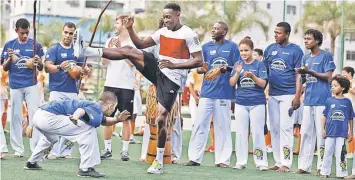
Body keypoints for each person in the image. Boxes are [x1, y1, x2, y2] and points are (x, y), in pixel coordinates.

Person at [72, 3, 203, 174]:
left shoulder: (189, 34)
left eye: (169, 17)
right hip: (157, 70)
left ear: (178, 14)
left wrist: (175, 65)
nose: (166, 20)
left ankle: (158, 161)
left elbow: (199, 61)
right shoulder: (162, 31)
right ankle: (86, 51)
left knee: (161, 119)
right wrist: (131, 28)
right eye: (164, 17)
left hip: (172, 80)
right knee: (129, 50)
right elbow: (140, 44)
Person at [24, 92, 131, 178]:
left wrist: (117, 119)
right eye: (114, 107)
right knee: (88, 128)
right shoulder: (96, 108)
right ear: (110, 105)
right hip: (49, 118)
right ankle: (86, 168)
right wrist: (75, 116)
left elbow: (104, 121)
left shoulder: (94, 107)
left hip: (40, 115)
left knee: (51, 138)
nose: (114, 110)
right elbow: (81, 111)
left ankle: (32, 162)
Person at [185, 21, 238, 168]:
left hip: (224, 94)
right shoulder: (206, 47)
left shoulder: (232, 47)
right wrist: (203, 69)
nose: (213, 30)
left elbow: (238, 66)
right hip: (207, 93)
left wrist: (226, 69)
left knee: (223, 127)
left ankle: (222, 160)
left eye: (217, 29)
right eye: (213, 28)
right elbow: (200, 69)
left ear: (224, 31)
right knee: (200, 124)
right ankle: (194, 158)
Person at [263, 22, 304, 172]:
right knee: (274, 128)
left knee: (286, 128)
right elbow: (264, 72)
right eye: (274, 32)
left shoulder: (296, 50)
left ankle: (286, 163)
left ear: (287, 34)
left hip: (288, 94)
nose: (275, 35)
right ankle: (278, 161)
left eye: (278, 33)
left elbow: (299, 74)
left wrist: (297, 96)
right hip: (272, 94)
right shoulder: (270, 49)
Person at [1, 18, 45, 156]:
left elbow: (42, 67)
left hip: (31, 85)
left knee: (34, 116)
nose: (25, 35)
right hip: (15, 86)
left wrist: (38, 62)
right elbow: (4, 67)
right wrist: (9, 58)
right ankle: (18, 149)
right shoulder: (9, 45)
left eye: (27, 32)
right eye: (22, 33)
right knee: (15, 117)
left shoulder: (35, 45)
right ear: (16, 31)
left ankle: (34, 148)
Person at [296, 29, 335, 175]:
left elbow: (329, 76)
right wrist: (303, 75)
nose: (306, 41)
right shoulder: (306, 58)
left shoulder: (326, 55)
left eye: (309, 39)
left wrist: (310, 72)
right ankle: (304, 165)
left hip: (322, 101)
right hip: (308, 101)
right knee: (306, 133)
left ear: (317, 41)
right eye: (305, 38)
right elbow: (304, 79)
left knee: (320, 134)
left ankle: (321, 167)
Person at [44, 22, 86, 159]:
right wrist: (60, 67)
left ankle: (66, 150)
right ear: (62, 32)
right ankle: (53, 151)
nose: (68, 35)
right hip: (56, 90)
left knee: (72, 121)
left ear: (74, 35)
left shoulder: (77, 51)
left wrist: (83, 71)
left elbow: (81, 71)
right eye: (66, 32)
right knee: (54, 120)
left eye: (71, 33)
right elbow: (47, 67)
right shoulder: (54, 49)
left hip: (72, 90)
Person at [100, 15, 136, 161]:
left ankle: (125, 151)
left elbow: (132, 64)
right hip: (110, 84)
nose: (115, 25)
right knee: (107, 118)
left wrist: (120, 48)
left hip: (126, 86)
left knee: (126, 118)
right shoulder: (109, 40)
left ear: (124, 24)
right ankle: (107, 149)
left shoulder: (133, 43)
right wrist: (110, 48)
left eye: (117, 23)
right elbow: (103, 62)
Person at [229, 37, 268, 170]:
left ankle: (261, 162)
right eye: (241, 51)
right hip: (241, 103)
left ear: (252, 50)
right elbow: (232, 83)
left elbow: (263, 84)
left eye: (246, 50)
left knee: (257, 133)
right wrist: (238, 72)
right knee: (241, 133)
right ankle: (241, 161)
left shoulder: (259, 64)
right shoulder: (238, 64)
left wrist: (253, 77)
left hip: (257, 103)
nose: (244, 53)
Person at [320, 75, 354, 178]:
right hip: (330, 132)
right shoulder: (329, 100)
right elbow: (325, 116)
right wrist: (323, 129)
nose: (332, 87)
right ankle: (325, 172)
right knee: (327, 153)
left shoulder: (347, 102)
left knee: (341, 154)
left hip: (342, 134)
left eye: (335, 85)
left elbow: (350, 118)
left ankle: (342, 173)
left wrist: (351, 132)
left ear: (343, 88)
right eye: (332, 85)